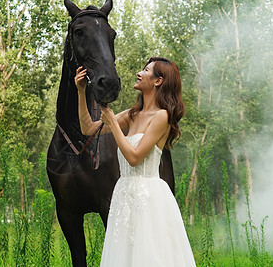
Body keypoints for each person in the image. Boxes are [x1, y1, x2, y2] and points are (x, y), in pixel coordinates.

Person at [75, 57, 196, 266]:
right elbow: (87, 129)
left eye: (146, 70)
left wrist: (113, 123)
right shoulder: (132, 115)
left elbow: (134, 157)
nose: (140, 73)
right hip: (124, 195)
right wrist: (81, 91)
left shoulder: (161, 116)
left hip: (149, 198)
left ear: (158, 81)